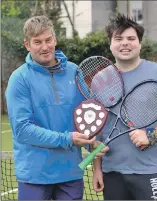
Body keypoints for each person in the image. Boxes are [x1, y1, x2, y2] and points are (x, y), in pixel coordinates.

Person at [5, 15, 108, 200]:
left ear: (55, 39)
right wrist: (68, 138)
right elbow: (22, 130)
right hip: (34, 176)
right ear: (27, 45)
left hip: (71, 175)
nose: (45, 47)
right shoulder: (19, 79)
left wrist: (92, 144)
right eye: (37, 42)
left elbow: (88, 117)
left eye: (48, 40)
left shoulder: (75, 71)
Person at [92, 13, 157, 200]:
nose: (125, 43)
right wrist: (97, 169)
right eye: (119, 38)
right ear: (110, 43)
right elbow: (97, 128)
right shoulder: (100, 80)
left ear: (140, 43)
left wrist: (151, 135)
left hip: (151, 171)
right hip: (112, 172)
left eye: (131, 38)